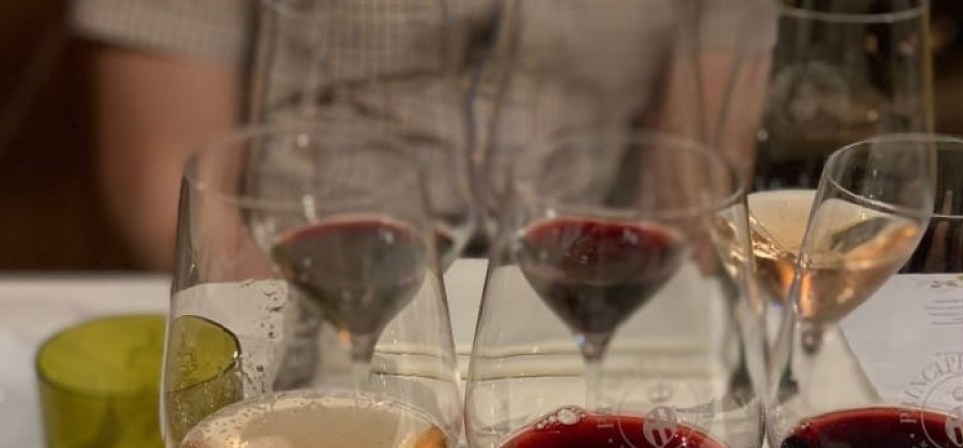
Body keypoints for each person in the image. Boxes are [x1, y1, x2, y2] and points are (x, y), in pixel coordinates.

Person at [68, 0, 774, 271]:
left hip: (568, 296)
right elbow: (170, 189)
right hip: (303, 292)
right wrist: (284, 355)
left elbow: (698, 177)